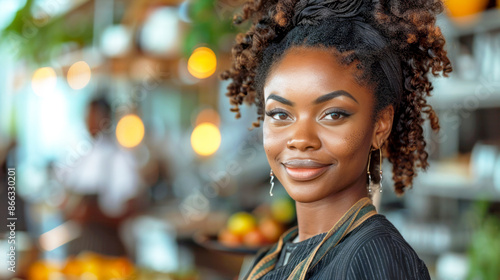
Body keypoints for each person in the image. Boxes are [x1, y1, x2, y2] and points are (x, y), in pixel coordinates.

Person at [220, 0, 452, 279]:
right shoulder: (275, 254)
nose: (300, 139)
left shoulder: (374, 258)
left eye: (333, 114)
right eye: (280, 114)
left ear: (380, 125)